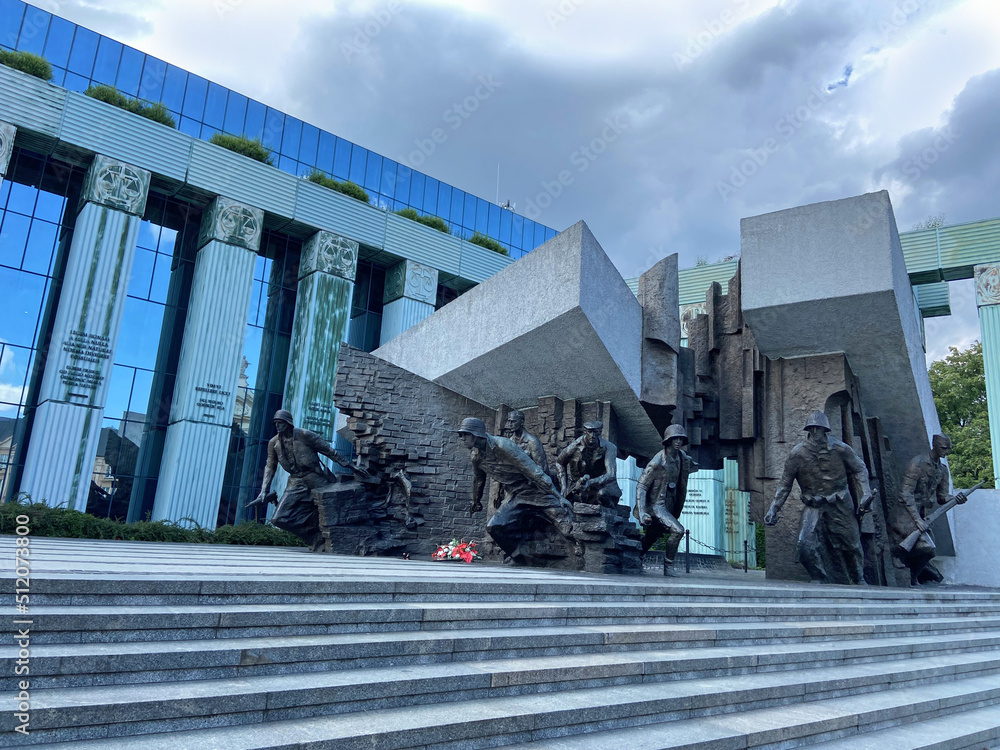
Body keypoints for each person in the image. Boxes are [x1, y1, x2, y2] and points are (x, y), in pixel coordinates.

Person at [764, 411, 871, 585]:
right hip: (814, 504)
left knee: (852, 544)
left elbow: (860, 468)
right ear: (809, 430)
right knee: (804, 544)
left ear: (825, 430)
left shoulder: (841, 449)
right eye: (813, 429)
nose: (816, 433)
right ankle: (820, 577)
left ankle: (858, 578)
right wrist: (773, 508)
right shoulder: (797, 454)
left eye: (820, 429)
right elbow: (785, 484)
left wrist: (865, 493)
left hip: (839, 502)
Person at [458, 417, 577, 562]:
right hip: (516, 494)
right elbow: (479, 479)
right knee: (494, 527)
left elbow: (534, 472)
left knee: (568, 529)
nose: (462, 438)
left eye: (464, 434)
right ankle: (522, 557)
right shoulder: (476, 456)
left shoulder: (503, 445)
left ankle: (585, 553)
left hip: (537, 490)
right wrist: (476, 501)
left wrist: (559, 497)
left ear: (475, 434)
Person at [247, 409, 356, 552]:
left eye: (280, 423)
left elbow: (329, 451)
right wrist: (263, 490)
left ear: (288, 422)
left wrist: (350, 466)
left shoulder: (304, 435)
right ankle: (316, 538)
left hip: (316, 478)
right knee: (278, 518)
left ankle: (333, 539)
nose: (278, 426)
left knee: (332, 510)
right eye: (275, 423)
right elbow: (270, 466)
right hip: (296, 482)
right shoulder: (273, 443)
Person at [895, 434, 968, 585]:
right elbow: (905, 493)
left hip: (925, 516)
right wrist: (917, 520)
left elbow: (942, 497)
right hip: (906, 514)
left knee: (929, 551)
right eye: (943, 448)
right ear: (935, 445)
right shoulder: (917, 463)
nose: (946, 452)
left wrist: (956, 498)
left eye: (948, 449)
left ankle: (912, 575)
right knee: (926, 548)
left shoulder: (942, 470)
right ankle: (900, 560)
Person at [634, 424, 696, 576]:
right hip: (657, 506)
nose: (678, 441)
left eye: (681, 438)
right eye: (675, 438)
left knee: (652, 536)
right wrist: (642, 512)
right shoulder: (657, 463)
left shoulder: (683, 458)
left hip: (671, 505)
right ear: (668, 440)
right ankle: (668, 566)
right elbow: (641, 487)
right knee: (678, 531)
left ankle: (637, 557)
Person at [555, 420, 623, 507]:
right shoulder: (574, 446)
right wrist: (564, 487)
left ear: (600, 432)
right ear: (585, 431)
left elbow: (611, 474)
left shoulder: (609, 447)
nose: (592, 435)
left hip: (603, 485)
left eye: (595, 432)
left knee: (602, 495)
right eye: (589, 432)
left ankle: (609, 512)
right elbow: (559, 463)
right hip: (581, 486)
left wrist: (591, 482)